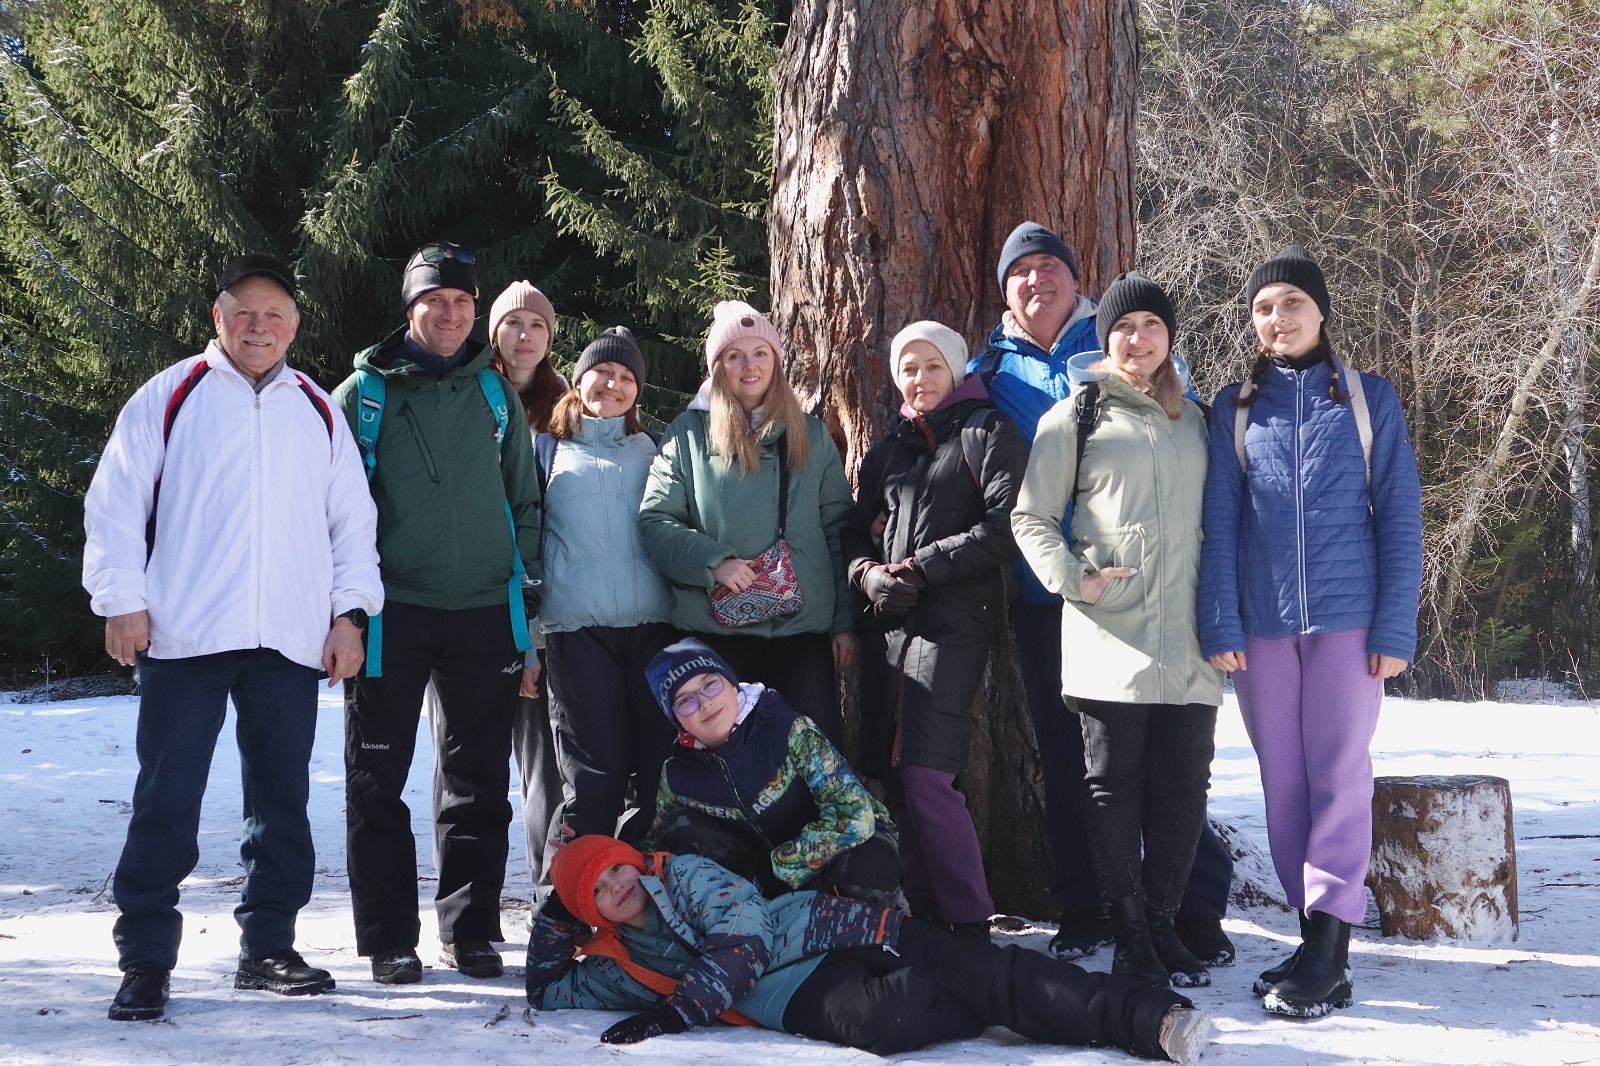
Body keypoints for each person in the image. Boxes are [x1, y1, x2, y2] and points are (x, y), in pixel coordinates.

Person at [83, 254, 382, 1020]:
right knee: (166, 801)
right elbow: (116, 500)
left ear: (294, 327)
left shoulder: (315, 409)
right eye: (243, 312)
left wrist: (349, 614)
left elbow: (352, 523)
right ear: (218, 318)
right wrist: (122, 600)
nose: (258, 327)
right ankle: (145, 960)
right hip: (183, 633)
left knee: (280, 804)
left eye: (273, 315)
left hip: (287, 638)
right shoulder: (171, 394)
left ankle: (268, 948)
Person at [970, 222, 1235, 964]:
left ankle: (1190, 911)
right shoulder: (990, 370)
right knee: (1078, 769)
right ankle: (1090, 909)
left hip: (1166, 600)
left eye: (1050, 265)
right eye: (1021, 270)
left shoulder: (1140, 362)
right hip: (1051, 598)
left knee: (1174, 773)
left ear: (1075, 279)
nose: (1037, 280)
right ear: (1006, 290)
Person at [1198, 246, 1423, 1018]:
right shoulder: (1234, 408)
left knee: (1339, 776)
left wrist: (1394, 625)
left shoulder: (1366, 399)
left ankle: (1331, 949)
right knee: (1283, 783)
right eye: (1263, 308)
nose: (1278, 318)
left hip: (1348, 622)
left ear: (1321, 311)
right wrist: (1220, 619)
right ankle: (1311, 939)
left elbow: (1401, 517)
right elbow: (1219, 522)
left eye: (1292, 302)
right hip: (1260, 627)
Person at [523, 835, 1212, 1065]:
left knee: (977, 969)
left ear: (633, 861)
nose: (616, 886)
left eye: (614, 869)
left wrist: (679, 1012)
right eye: (595, 891)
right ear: (589, 911)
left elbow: (745, 938)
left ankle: (1152, 1019)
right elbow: (548, 991)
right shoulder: (616, 966)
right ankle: (1001, 996)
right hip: (795, 994)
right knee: (890, 1021)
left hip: (830, 929)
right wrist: (555, 916)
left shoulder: (684, 874)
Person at [332, 241, 543, 984]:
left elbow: (524, 502)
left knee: (478, 780)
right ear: (410, 307)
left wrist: (528, 602)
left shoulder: (495, 393)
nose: (450, 315)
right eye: (435, 302)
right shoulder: (363, 395)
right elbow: (330, 511)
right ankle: (389, 938)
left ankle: (471, 930)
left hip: (485, 610)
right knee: (376, 780)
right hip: (392, 613)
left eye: (461, 302)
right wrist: (345, 610)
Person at [842, 320, 1024, 938]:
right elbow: (853, 530)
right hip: (889, 623)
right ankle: (925, 914)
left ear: (956, 369)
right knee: (893, 772)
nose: (920, 379)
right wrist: (867, 574)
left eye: (932, 366)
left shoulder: (987, 431)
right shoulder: (889, 447)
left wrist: (920, 567)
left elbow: (1006, 528)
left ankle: (969, 921)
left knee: (926, 772)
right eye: (908, 369)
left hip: (955, 622)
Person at [638, 301, 856, 744]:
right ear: (718, 367)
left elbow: (838, 529)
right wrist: (713, 562)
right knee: (729, 761)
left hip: (802, 633)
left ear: (776, 361)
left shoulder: (811, 434)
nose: (749, 366)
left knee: (815, 758)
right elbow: (656, 521)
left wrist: (844, 623)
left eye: (760, 353)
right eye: (735, 356)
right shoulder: (687, 434)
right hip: (717, 634)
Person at [427, 279, 567, 895]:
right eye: (513, 324)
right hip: (466, 601)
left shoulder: (572, 409)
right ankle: (459, 896)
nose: (525, 336)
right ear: (493, 333)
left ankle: (551, 889)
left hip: (544, 604)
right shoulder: (466, 394)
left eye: (537, 325)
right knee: (458, 756)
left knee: (545, 760)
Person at [536, 326, 678, 854]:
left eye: (625, 376)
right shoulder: (547, 451)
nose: (613, 384)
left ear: (637, 390)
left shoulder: (656, 449)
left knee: (659, 776)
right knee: (593, 779)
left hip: (655, 631)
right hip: (579, 633)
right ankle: (565, 895)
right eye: (601, 372)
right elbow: (526, 543)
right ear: (579, 380)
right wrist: (528, 640)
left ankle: (644, 892)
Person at [641, 638, 899, 906]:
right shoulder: (677, 774)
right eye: (686, 701)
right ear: (676, 719)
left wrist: (780, 868)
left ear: (731, 684)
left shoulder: (788, 730)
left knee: (864, 873)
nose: (704, 703)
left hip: (843, 846)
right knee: (678, 828)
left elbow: (855, 816)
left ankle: (881, 925)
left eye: (710, 685)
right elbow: (656, 841)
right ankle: (747, 916)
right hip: (757, 878)